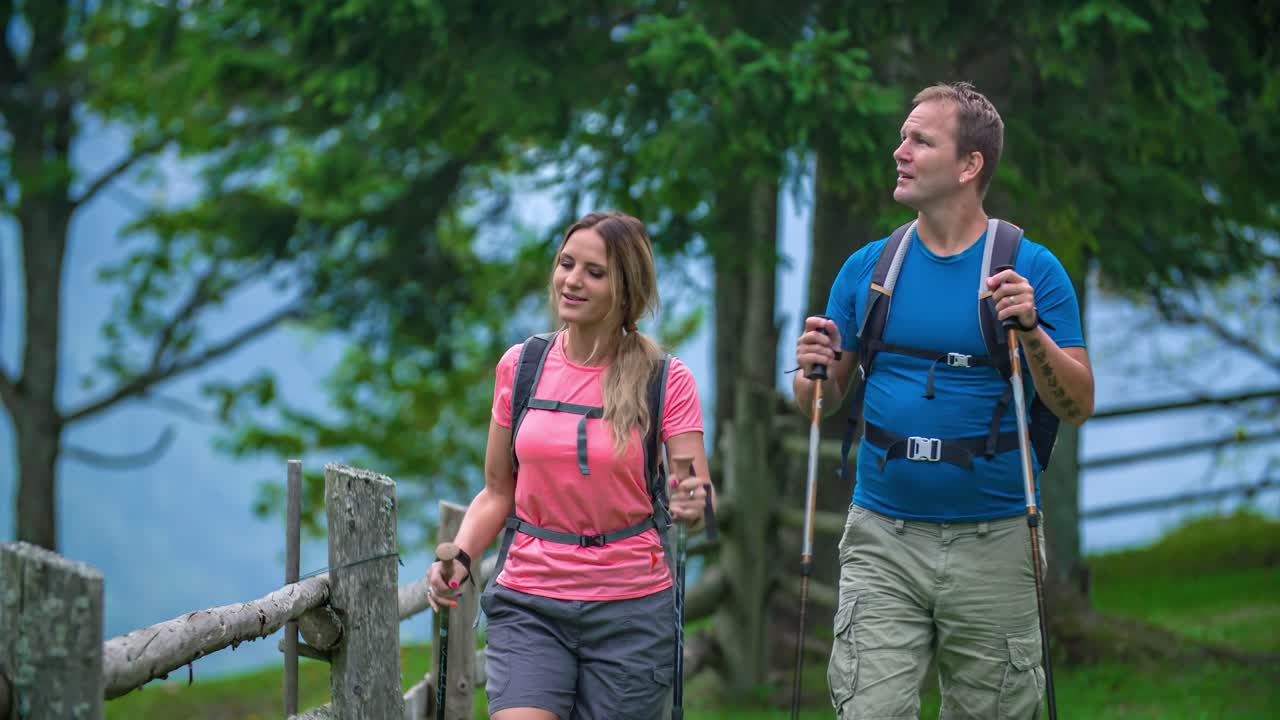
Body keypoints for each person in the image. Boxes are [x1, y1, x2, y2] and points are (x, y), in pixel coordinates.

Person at [793, 82, 1094, 718]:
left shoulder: (1031, 269)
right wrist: (811, 371)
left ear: (969, 164)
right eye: (903, 136)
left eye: (919, 140)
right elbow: (819, 404)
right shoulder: (871, 268)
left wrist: (1032, 333)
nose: (899, 151)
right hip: (882, 537)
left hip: (998, 539)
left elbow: (1076, 404)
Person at [426, 210, 712, 720]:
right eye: (566, 264)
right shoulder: (522, 367)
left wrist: (693, 501)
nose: (572, 281)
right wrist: (463, 559)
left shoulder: (666, 379)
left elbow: (695, 491)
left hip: (631, 611)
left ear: (626, 289)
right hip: (530, 602)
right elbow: (497, 491)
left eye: (594, 272)